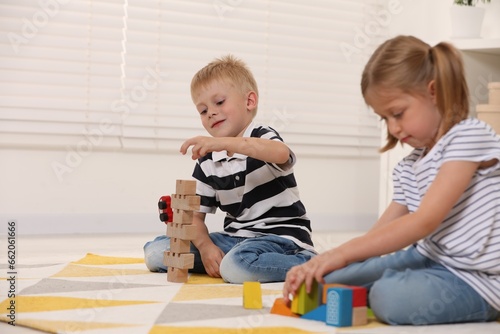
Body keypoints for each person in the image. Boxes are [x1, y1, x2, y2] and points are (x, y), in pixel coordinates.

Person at [283, 35, 500, 325]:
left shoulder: (468, 136)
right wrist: (324, 260)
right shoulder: (410, 166)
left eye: (397, 113)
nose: (393, 127)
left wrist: (342, 253)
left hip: (480, 279)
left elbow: (424, 221)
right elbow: (380, 232)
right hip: (429, 258)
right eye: (384, 118)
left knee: (389, 297)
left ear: (433, 92)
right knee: (323, 281)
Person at [144, 54, 316, 283]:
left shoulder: (260, 136)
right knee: (157, 252)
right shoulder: (208, 160)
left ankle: (308, 264)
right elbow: (195, 217)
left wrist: (222, 143)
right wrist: (206, 249)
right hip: (236, 239)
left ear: (249, 101)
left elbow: (281, 153)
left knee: (237, 267)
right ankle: (225, 261)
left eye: (219, 102)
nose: (211, 113)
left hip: (281, 238)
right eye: (203, 110)